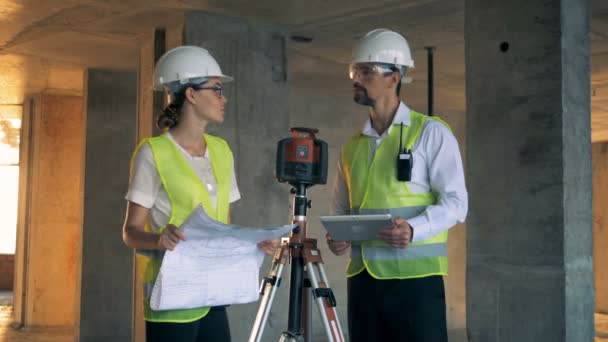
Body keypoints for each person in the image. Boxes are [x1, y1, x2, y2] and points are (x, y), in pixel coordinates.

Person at [122, 45, 275, 342]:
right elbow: (130, 232)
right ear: (191, 94)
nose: (224, 98)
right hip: (171, 297)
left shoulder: (222, 151)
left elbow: (223, 226)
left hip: (214, 291)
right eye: (216, 89)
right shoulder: (152, 153)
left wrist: (250, 242)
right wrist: (159, 239)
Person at [326, 29, 468, 342]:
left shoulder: (431, 133)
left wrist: (415, 229)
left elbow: (457, 202)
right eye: (354, 71)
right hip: (363, 283)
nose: (356, 79)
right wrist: (338, 237)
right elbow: (340, 210)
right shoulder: (352, 147)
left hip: (416, 283)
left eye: (366, 71)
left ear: (394, 77)